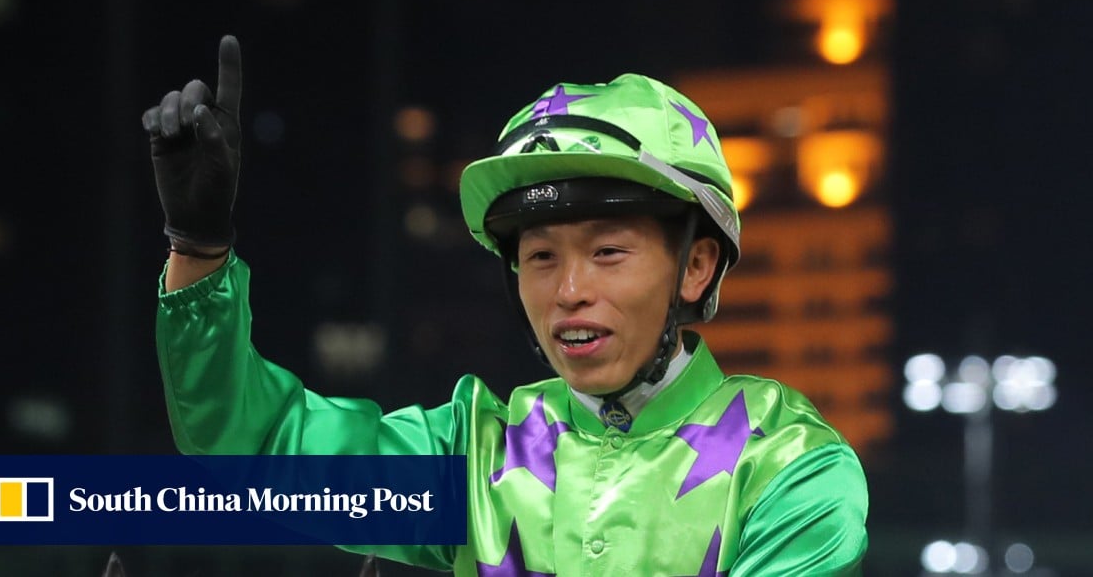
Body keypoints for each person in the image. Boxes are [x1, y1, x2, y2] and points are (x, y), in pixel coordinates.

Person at [143, 35, 869, 576]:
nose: (568, 290)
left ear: (697, 265)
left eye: (608, 252)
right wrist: (199, 250)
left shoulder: (792, 469)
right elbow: (253, 447)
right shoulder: (473, 458)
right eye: (540, 257)